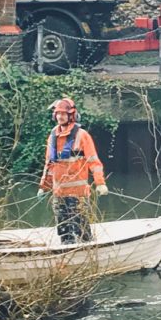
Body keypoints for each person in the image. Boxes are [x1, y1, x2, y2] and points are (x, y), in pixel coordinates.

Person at [38, 97, 109, 244]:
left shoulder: (81, 135)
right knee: (63, 228)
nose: (60, 116)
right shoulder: (53, 136)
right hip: (59, 192)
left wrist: (100, 182)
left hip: (78, 193)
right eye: (57, 113)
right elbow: (49, 165)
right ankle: (67, 250)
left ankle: (88, 249)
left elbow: (94, 162)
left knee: (81, 225)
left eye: (63, 113)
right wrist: (44, 186)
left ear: (72, 115)